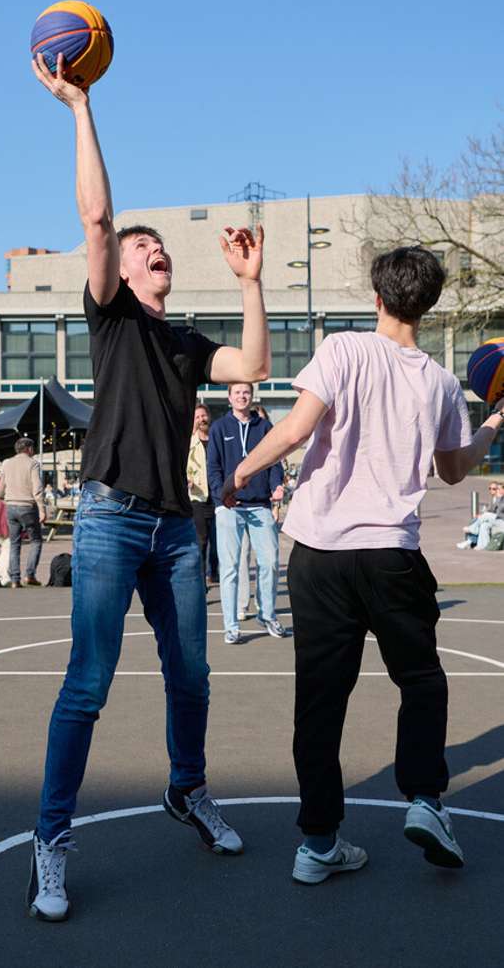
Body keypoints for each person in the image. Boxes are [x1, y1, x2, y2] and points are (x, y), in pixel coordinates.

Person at [26, 51, 272, 922]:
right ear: (123, 273)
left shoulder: (189, 342)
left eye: (161, 248)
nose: (154, 252)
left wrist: (251, 283)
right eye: (144, 248)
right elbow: (96, 217)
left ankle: (188, 790)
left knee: (194, 676)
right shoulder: (114, 316)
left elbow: (255, 362)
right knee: (87, 684)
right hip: (106, 519)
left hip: (173, 526)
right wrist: (79, 107)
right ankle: (50, 842)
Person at [223, 245, 504, 884]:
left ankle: (318, 842)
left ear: (377, 298)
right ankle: (427, 800)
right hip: (391, 558)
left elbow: (296, 429)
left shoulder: (344, 350)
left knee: (320, 703)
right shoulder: (437, 382)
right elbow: (455, 469)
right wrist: (492, 427)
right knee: (423, 682)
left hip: (319, 555)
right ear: (429, 310)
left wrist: (242, 468)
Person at [208, 383, 286, 643]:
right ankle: (231, 625)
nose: (242, 397)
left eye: (246, 393)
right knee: (229, 568)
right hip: (230, 508)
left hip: (260, 505)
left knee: (271, 562)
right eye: (237, 392)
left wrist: (276, 484)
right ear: (229, 397)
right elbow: (214, 467)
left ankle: (267, 614)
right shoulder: (219, 428)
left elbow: (274, 459)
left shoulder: (264, 427)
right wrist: (222, 497)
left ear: (252, 397)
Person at [0, 437, 46, 588]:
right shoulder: (33, 464)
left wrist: (8, 501)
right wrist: (42, 509)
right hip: (27, 506)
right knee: (36, 540)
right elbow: (37, 489)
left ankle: (14, 579)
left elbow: (0, 492)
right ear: (29, 449)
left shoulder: (7, 463)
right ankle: (30, 575)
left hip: (11, 507)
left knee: (15, 543)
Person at [186, 403, 219, 586]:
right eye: (197, 417)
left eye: (203, 416)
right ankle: (201, 579)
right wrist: (187, 480)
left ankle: (213, 571)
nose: (201, 420)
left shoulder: (216, 438)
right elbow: (182, 466)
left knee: (217, 540)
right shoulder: (189, 442)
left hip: (217, 495)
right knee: (202, 539)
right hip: (198, 497)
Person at [456, 481, 504, 550]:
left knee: (485, 516)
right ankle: (482, 545)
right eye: (490, 488)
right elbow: (492, 509)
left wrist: (499, 498)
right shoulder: (498, 499)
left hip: (501, 520)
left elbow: (499, 511)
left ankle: (471, 530)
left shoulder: (501, 499)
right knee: (484, 525)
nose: (497, 491)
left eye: (498, 489)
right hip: (497, 520)